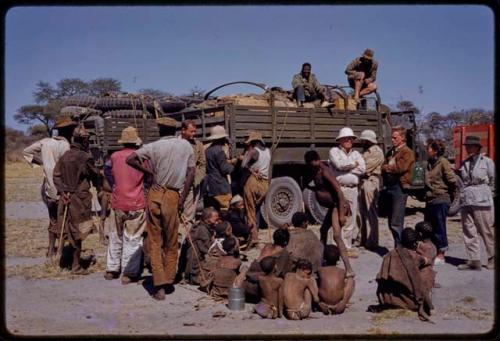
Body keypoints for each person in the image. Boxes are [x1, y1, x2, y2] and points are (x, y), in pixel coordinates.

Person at [126, 117, 195, 300]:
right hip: (173, 195)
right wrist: (181, 198)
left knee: (155, 240)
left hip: (155, 193)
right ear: (175, 130)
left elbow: (130, 159)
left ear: (159, 130)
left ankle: (159, 285)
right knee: (171, 240)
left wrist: (149, 173)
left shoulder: (153, 146)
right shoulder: (186, 146)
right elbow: (191, 174)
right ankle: (168, 279)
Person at [23, 116, 77, 258]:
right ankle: (63, 252)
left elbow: (26, 152)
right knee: (65, 220)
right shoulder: (67, 146)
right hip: (62, 188)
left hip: (48, 188)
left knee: (52, 218)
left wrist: (43, 163)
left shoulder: (45, 142)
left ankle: (51, 250)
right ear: (68, 130)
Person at [53, 125, 102, 275]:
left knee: (67, 228)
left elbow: (56, 176)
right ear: (84, 140)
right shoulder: (85, 157)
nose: (88, 142)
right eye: (87, 140)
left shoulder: (65, 155)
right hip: (79, 199)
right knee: (78, 231)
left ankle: (66, 260)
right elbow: (95, 175)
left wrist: (62, 191)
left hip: (65, 198)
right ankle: (75, 265)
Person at [103, 126, 148, 284]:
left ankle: (111, 269)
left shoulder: (114, 157)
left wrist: (114, 184)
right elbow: (148, 176)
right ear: (136, 142)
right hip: (137, 202)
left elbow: (107, 170)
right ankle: (129, 273)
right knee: (133, 238)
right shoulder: (142, 157)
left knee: (115, 235)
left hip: (118, 201)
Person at [304, 150, 354, 276]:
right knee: (323, 230)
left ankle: (349, 268)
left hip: (338, 206)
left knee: (337, 236)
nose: (312, 166)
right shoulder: (314, 171)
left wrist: (342, 214)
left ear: (318, 160)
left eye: (314, 164)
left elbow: (339, 192)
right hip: (332, 207)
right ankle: (321, 263)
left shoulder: (325, 171)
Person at [372, 228, 433, 321]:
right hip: (409, 302)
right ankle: (423, 299)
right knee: (427, 271)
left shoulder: (390, 254)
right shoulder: (415, 257)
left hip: (388, 298)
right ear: (414, 243)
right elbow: (428, 260)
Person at [457, 136, 495, 271]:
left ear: (477, 147)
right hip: (467, 199)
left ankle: (492, 258)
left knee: (486, 230)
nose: (468, 148)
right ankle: (474, 260)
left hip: (482, 199)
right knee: (469, 230)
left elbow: (493, 180)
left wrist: (486, 193)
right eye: (467, 146)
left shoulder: (487, 162)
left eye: (471, 146)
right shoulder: (465, 163)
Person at [329, 127, 366, 257]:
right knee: (339, 217)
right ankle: (335, 246)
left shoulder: (356, 154)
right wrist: (353, 165)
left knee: (351, 218)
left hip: (353, 189)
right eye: (347, 139)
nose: (350, 140)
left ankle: (347, 246)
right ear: (341, 140)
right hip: (340, 189)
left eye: (351, 139)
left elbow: (363, 169)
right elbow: (339, 165)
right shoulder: (334, 151)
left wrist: (347, 168)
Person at [423, 139, 457, 266]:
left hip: (441, 198)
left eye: (429, 149)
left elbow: (452, 180)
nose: (427, 150)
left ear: (436, 150)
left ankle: (441, 253)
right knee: (428, 226)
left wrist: (450, 196)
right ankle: (432, 251)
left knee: (439, 227)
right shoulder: (428, 164)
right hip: (430, 199)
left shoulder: (443, 162)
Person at [381, 126, 415, 247]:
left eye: (395, 137)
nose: (393, 139)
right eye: (392, 137)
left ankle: (400, 248)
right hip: (391, 187)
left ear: (402, 138)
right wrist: (388, 167)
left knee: (396, 221)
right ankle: (398, 246)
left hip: (399, 188)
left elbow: (400, 168)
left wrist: (387, 167)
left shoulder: (407, 152)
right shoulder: (392, 151)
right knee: (391, 221)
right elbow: (384, 165)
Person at [238, 228, 293, 302]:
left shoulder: (267, 246)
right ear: (286, 242)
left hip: (246, 285)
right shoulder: (283, 254)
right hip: (260, 288)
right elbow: (279, 274)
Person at [242, 131, 271, 248]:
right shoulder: (268, 151)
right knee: (257, 209)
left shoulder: (253, 151)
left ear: (253, 142)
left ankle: (253, 238)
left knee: (250, 211)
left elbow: (243, 165)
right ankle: (256, 234)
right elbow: (270, 169)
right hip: (264, 184)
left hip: (253, 182)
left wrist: (252, 171)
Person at [358, 129, 384, 249]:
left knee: (371, 211)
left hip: (371, 182)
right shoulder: (366, 151)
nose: (362, 141)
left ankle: (373, 240)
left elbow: (364, 168)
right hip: (363, 182)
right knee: (362, 212)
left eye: (364, 139)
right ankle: (363, 239)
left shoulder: (376, 152)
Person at [180, 120, 206, 234]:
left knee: (188, 215)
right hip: (176, 184)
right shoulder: (174, 143)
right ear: (183, 130)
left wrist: (196, 180)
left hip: (191, 185)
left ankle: (184, 242)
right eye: (191, 131)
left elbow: (202, 164)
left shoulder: (198, 145)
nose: (193, 134)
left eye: (195, 131)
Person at [182, 207, 219, 285]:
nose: (217, 222)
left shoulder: (201, 225)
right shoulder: (202, 230)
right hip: (195, 268)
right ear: (206, 219)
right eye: (215, 220)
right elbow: (208, 249)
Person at [317, 245, 355, 315]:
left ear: (324, 257)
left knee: (314, 280)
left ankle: (318, 302)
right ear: (338, 259)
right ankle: (343, 302)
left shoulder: (320, 270)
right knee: (351, 280)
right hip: (338, 305)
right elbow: (351, 277)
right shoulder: (342, 271)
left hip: (324, 304)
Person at [204, 125, 234, 215]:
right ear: (221, 138)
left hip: (211, 185)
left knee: (215, 210)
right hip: (220, 185)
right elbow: (224, 169)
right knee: (225, 211)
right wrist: (234, 167)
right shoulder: (219, 151)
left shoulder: (208, 150)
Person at [415, 221, 438, 294]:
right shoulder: (433, 246)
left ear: (420, 234)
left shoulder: (424, 247)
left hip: (422, 275)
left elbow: (420, 262)